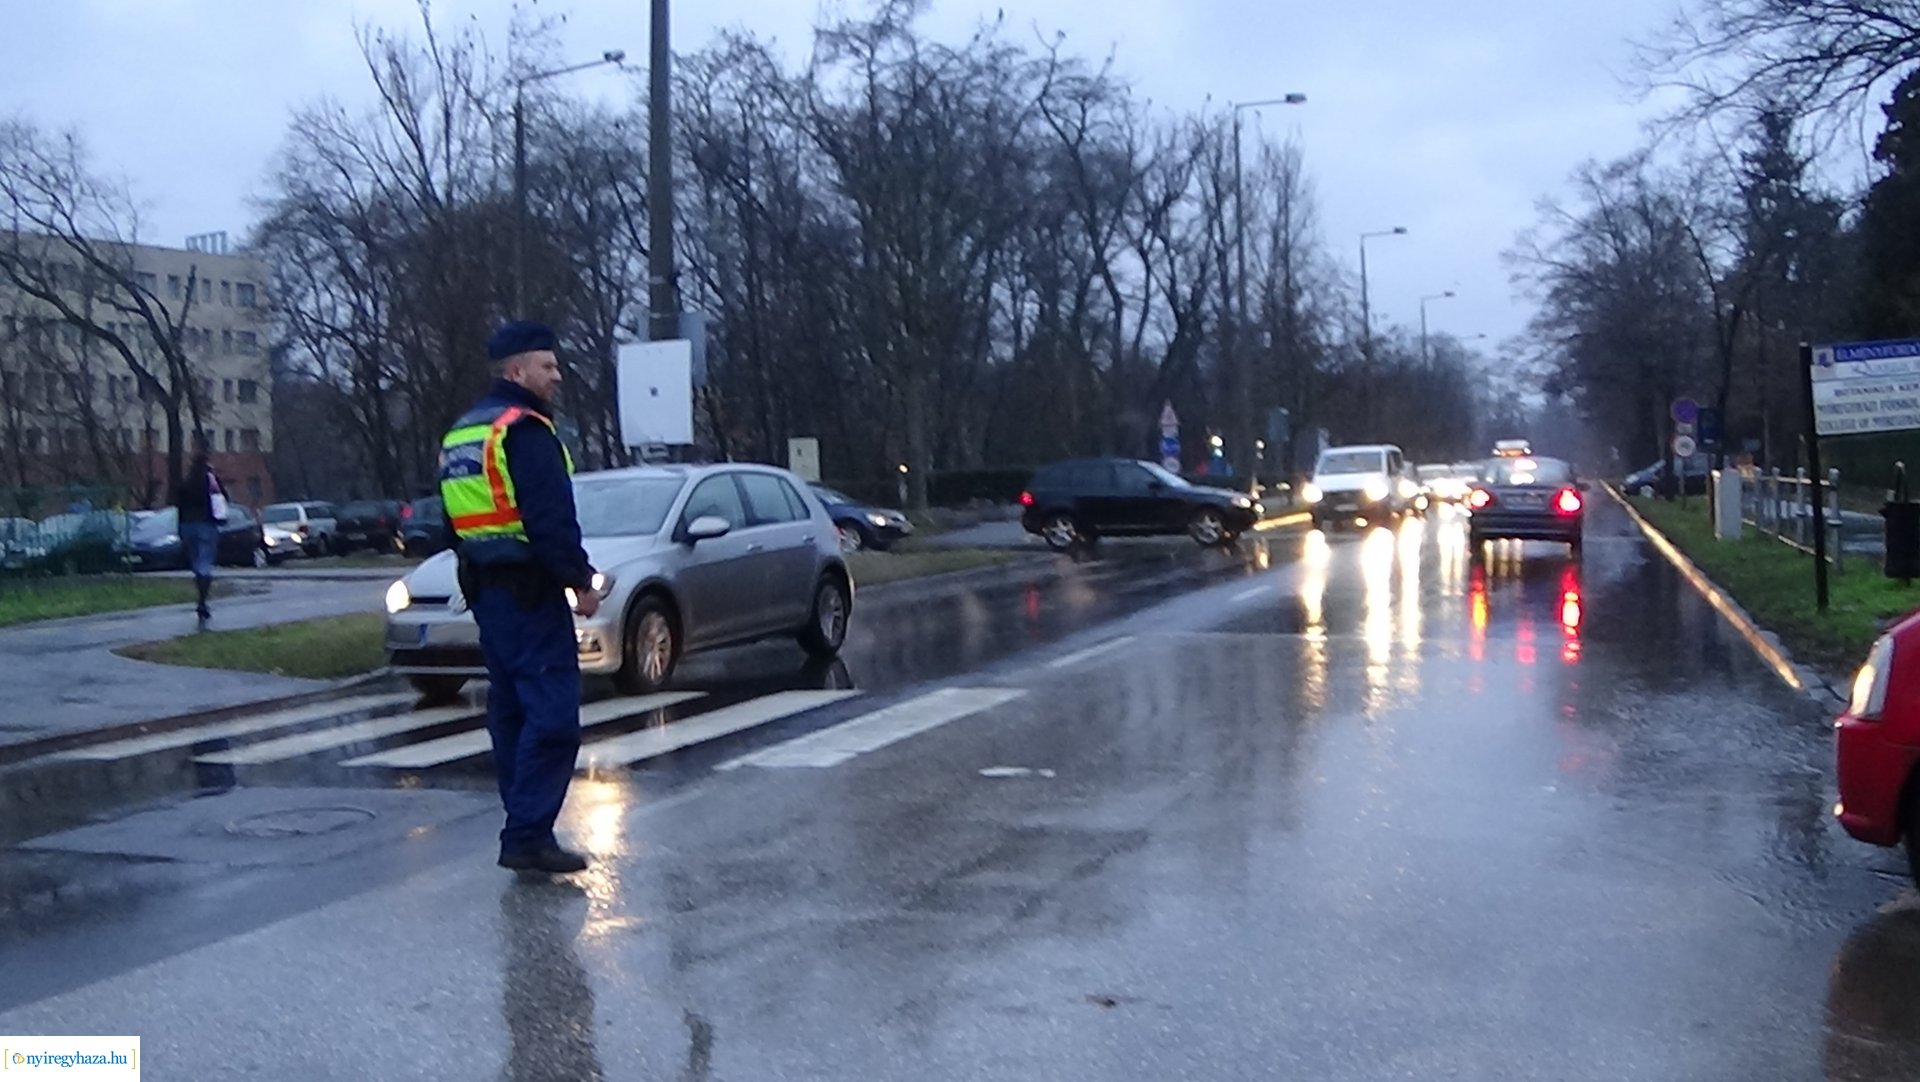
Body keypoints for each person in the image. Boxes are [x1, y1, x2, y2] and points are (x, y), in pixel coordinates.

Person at [440, 320, 598, 876]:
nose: (557, 376)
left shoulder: (464, 432)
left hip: (488, 592)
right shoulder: (524, 430)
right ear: (517, 371)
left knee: (510, 712)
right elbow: (551, 518)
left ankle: (522, 823)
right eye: (548, 366)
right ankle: (528, 834)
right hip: (530, 592)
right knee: (553, 716)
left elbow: (451, 522)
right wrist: (580, 580)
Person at [173, 449, 227, 630]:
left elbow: (178, 505)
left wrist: (180, 529)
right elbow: (223, 498)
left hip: (187, 526)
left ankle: (201, 595)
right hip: (206, 525)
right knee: (205, 563)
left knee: (196, 563)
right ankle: (202, 601)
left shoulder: (185, 483)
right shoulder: (210, 481)